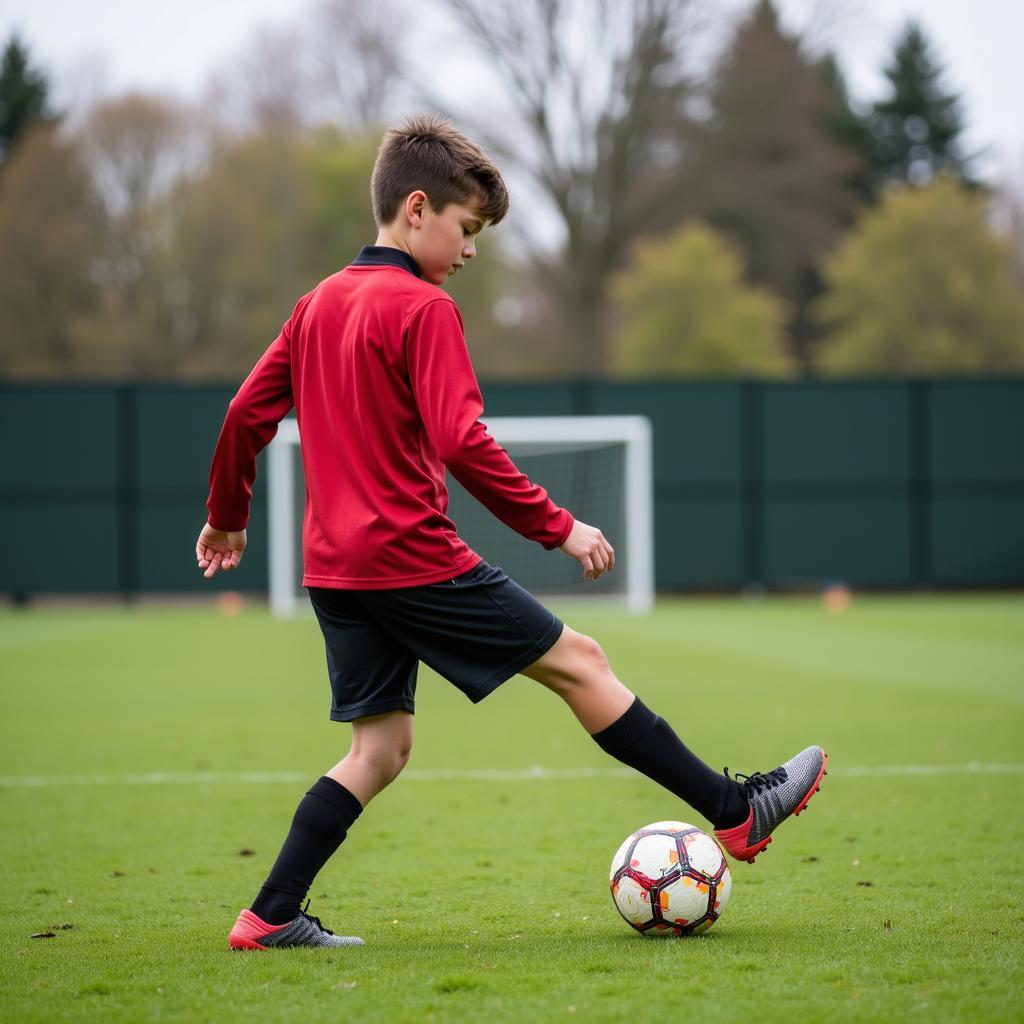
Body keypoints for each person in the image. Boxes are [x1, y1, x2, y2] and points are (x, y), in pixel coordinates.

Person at [196, 115, 826, 952]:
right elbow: (462, 441)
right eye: (467, 228)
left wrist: (228, 515)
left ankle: (270, 914)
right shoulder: (424, 309)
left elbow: (245, 412)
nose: (470, 250)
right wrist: (555, 526)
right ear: (416, 210)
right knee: (583, 664)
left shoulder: (318, 304)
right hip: (411, 560)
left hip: (337, 574)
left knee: (379, 750)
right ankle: (736, 813)